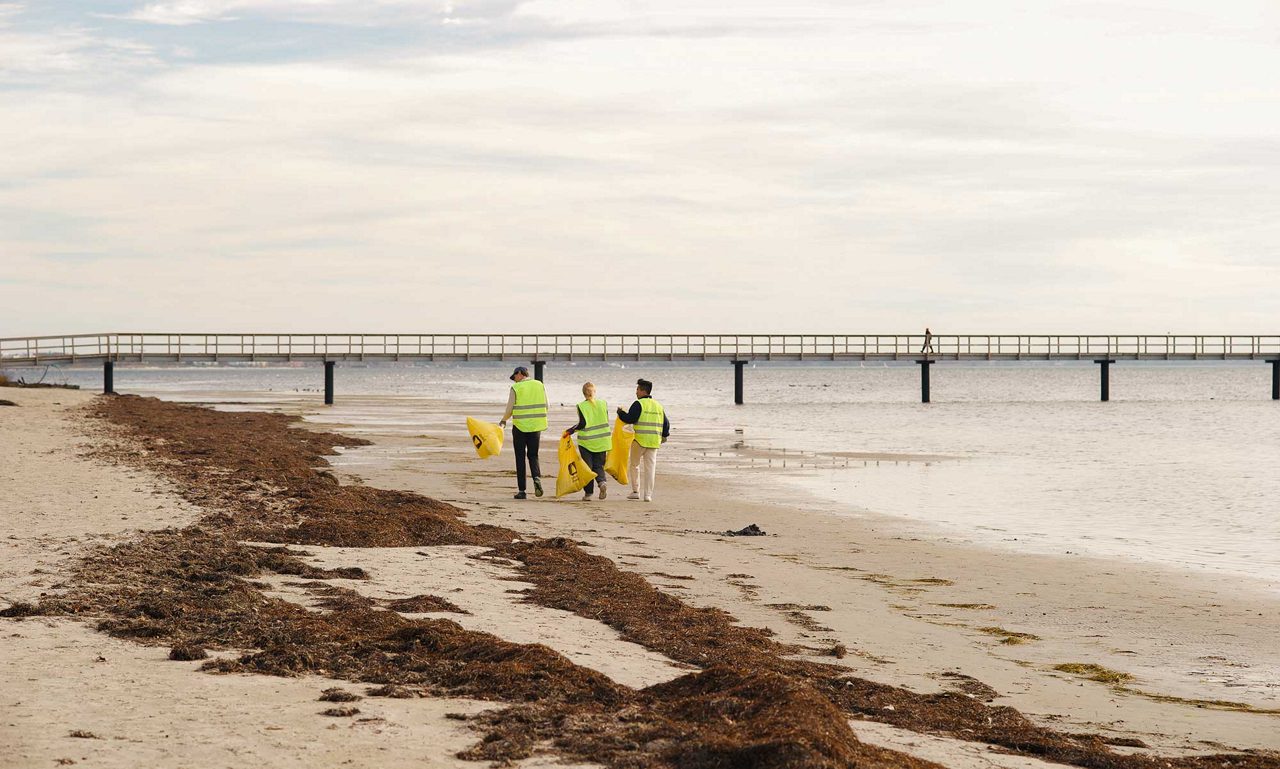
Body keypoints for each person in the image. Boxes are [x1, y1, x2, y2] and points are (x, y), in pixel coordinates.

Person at [616, 378, 668, 502]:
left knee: (634, 465)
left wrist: (620, 413)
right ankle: (648, 495)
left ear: (643, 391)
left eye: (637, 389)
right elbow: (666, 424)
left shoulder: (638, 404)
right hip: (654, 441)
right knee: (650, 468)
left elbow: (630, 419)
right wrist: (664, 436)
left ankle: (635, 491)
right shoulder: (658, 406)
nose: (636, 392)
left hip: (639, 440)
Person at [499, 366, 546, 499]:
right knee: (533, 455)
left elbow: (510, 408)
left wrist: (503, 420)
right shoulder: (539, 385)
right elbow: (546, 405)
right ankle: (536, 478)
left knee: (520, 457)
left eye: (515, 377)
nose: (515, 381)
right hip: (536, 427)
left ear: (519, 374)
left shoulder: (516, 388)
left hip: (520, 427)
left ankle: (522, 491)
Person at [565, 381, 609, 501]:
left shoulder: (581, 406)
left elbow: (582, 424)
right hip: (602, 440)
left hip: (587, 441)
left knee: (587, 468)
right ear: (595, 392)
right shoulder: (603, 403)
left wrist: (571, 430)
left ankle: (589, 493)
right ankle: (602, 482)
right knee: (598, 465)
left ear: (583, 393)